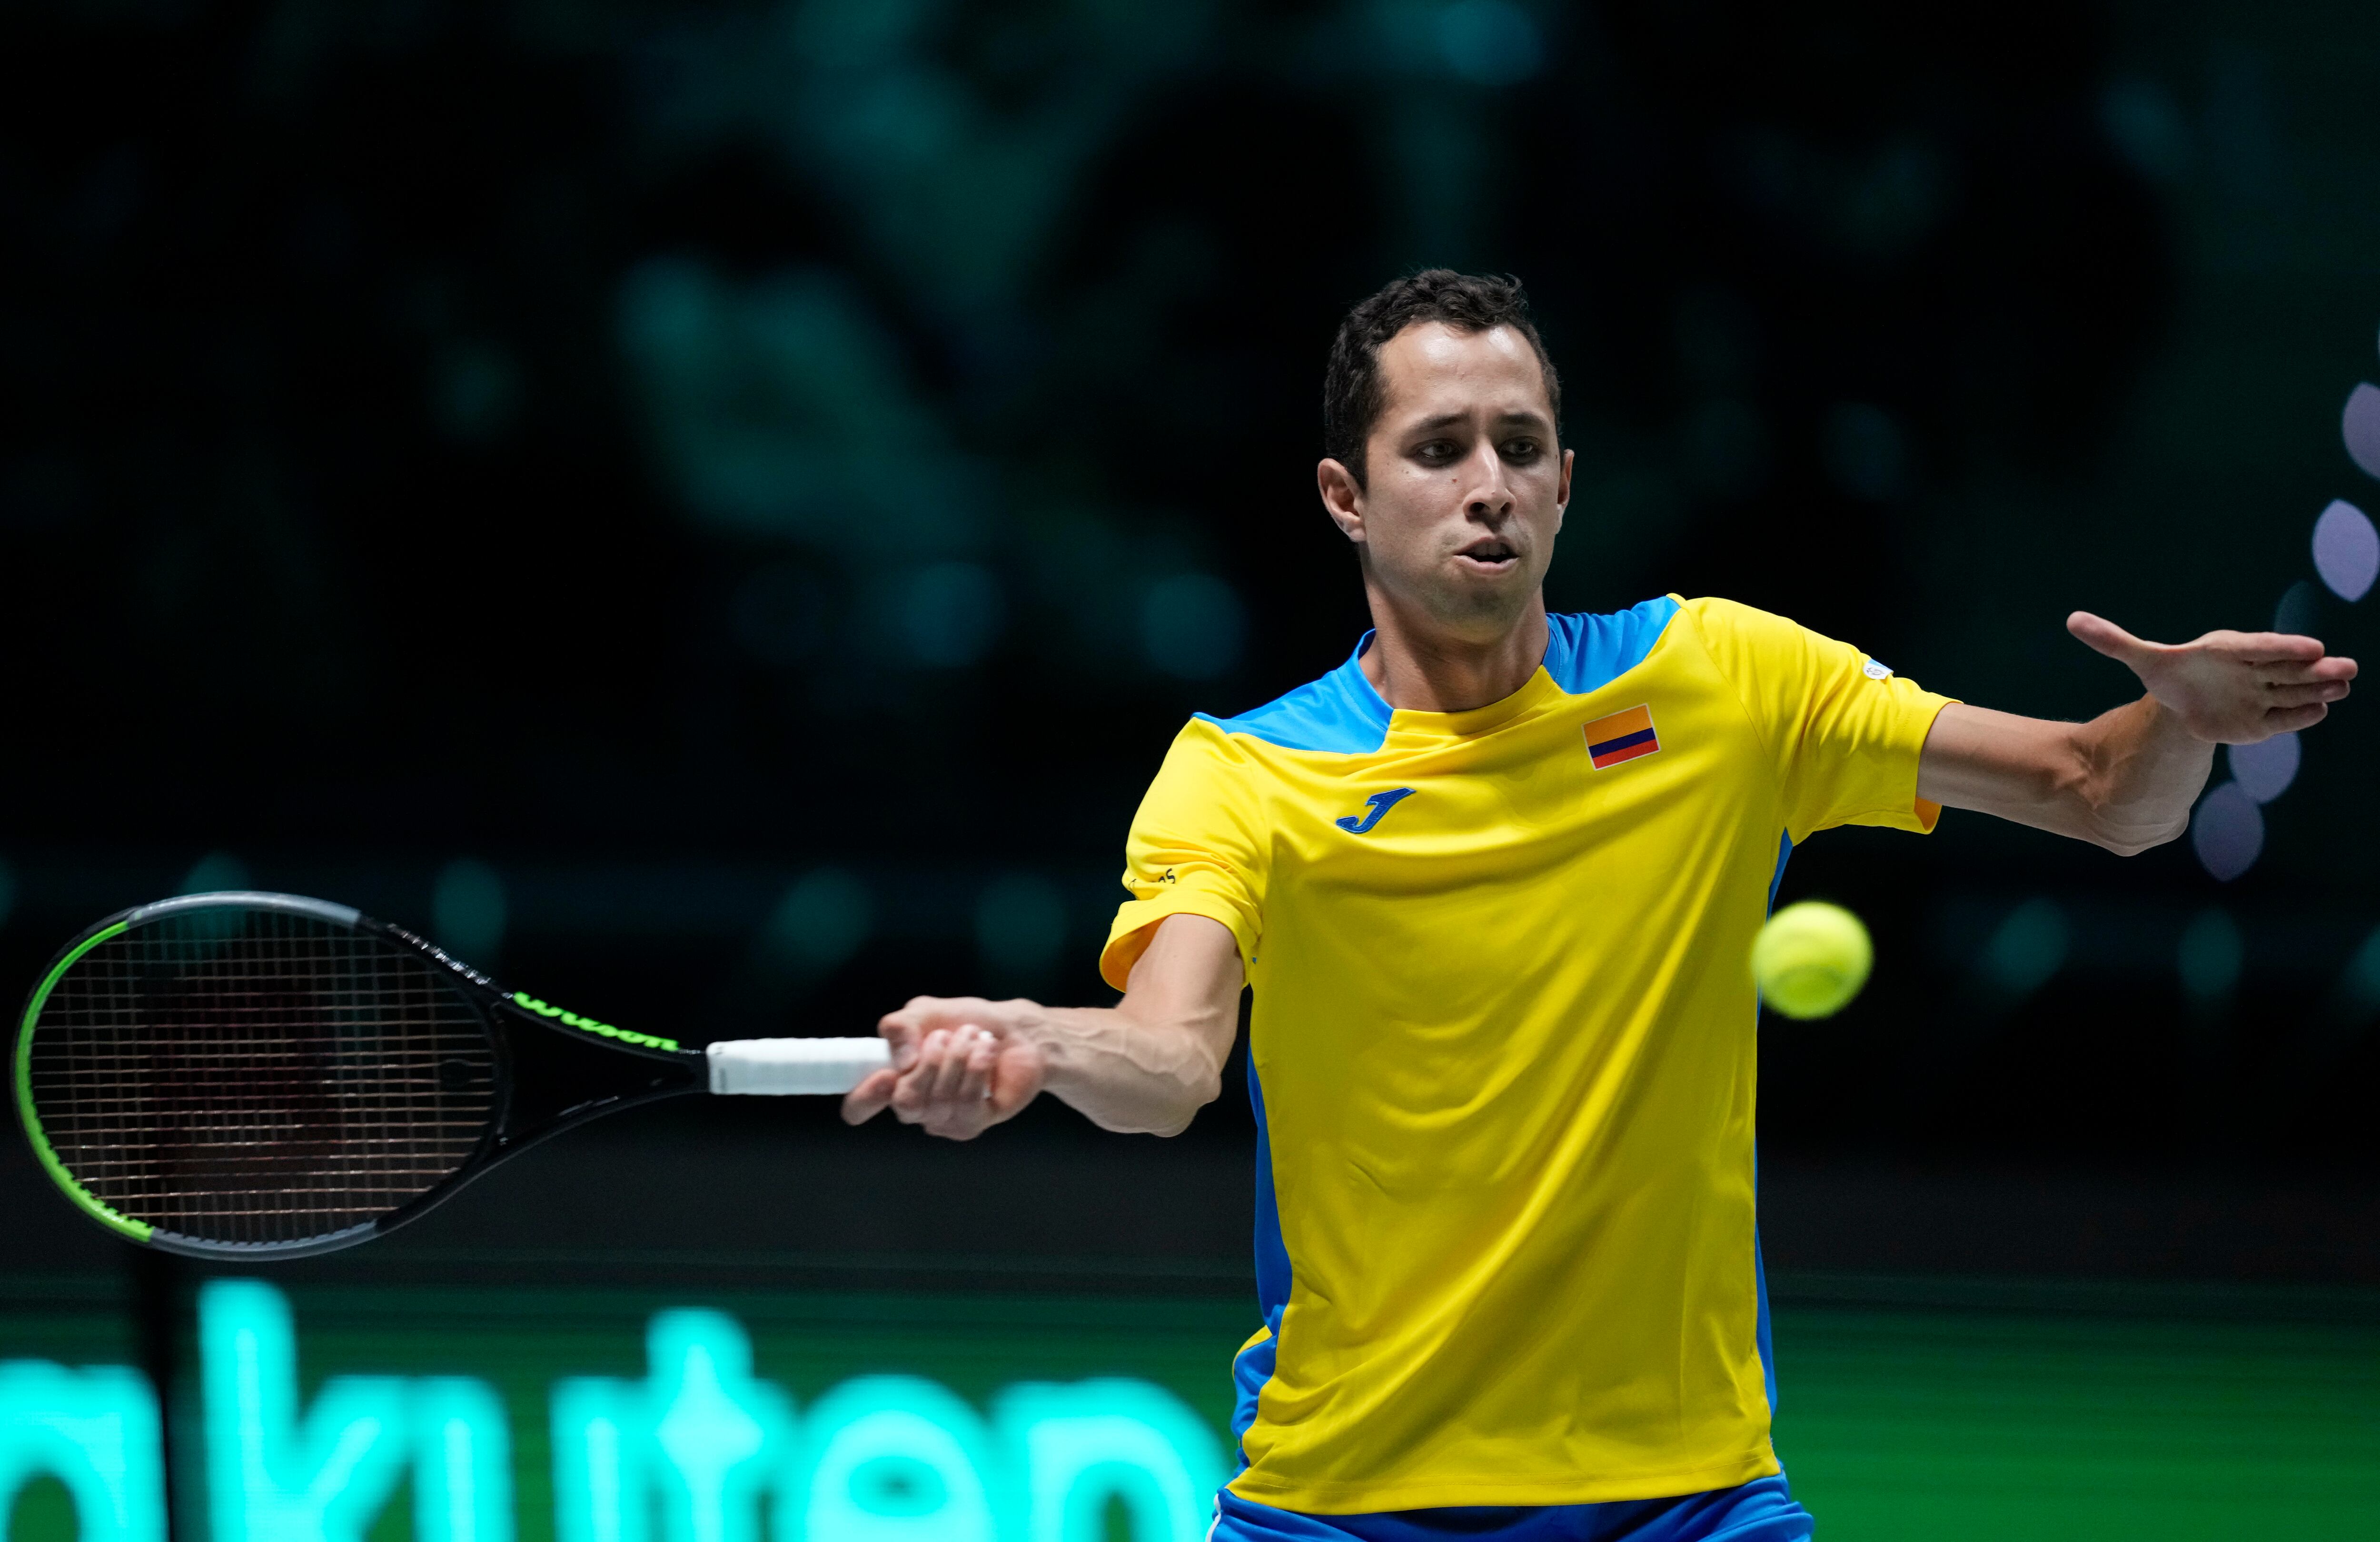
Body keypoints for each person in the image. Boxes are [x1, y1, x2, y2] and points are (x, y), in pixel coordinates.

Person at [840, 271, 2356, 1541]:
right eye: (1438, 448)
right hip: (1349, 1495)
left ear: (1567, 486)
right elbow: (1170, 1067)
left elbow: (2104, 798)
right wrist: (1034, 1043)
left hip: (1689, 1499)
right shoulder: (1247, 776)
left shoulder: (1722, 684)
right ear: (1345, 498)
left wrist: (2185, 725)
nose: (1488, 480)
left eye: (1522, 445)